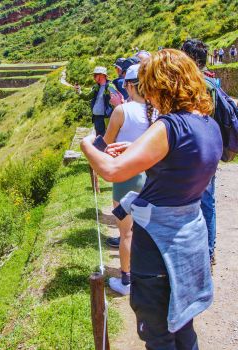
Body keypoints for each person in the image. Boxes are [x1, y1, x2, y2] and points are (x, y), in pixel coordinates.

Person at [81, 49, 222, 349]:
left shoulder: (169, 126)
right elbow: (179, 163)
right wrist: (133, 148)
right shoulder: (208, 125)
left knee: (157, 335)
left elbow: (111, 170)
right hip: (188, 239)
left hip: (157, 246)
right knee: (184, 328)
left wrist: (87, 147)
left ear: (162, 85)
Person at [103, 64, 154, 295]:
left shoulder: (122, 111)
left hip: (127, 176)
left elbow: (106, 142)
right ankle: (148, 274)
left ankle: (126, 280)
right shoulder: (159, 111)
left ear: (130, 85)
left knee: (127, 232)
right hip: (153, 175)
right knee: (148, 229)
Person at [181, 38, 219, 265]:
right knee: (207, 201)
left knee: (194, 201)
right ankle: (209, 250)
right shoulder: (213, 82)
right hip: (211, 148)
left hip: (195, 149)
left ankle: (201, 252)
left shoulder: (195, 84)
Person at [75, 66, 118, 136]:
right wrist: (79, 91)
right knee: (99, 138)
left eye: (95, 75)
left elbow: (117, 102)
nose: (94, 77)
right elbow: (87, 97)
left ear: (102, 75)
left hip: (105, 118)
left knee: (105, 138)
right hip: (96, 118)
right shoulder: (96, 87)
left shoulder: (110, 87)